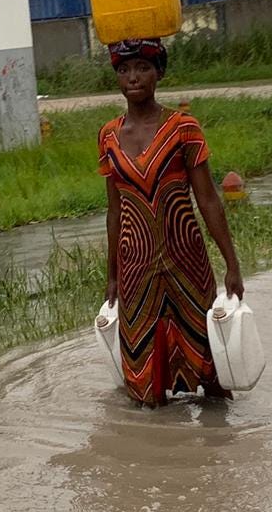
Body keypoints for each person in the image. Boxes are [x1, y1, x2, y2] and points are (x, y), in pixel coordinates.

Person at [99, 39, 244, 407]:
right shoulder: (108, 136)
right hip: (135, 267)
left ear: (159, 73)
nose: (133, 78)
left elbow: (208, 198)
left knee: (210, 370)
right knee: (143, 382)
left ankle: (216, 454)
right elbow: (114, 211)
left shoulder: (184, 128)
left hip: (186, 260)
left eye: (143, 68)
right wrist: (112, 274)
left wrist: (231, 263)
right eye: (124, 70)